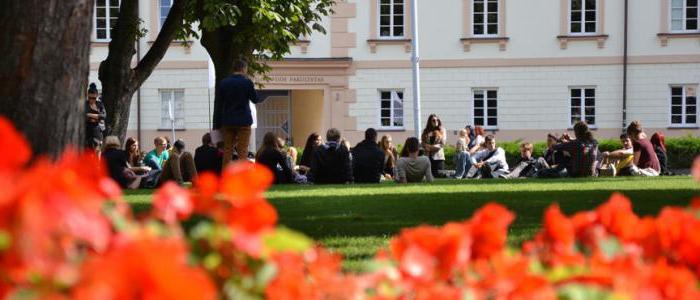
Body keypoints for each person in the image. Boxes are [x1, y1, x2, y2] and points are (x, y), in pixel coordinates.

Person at [214, 59, 263, 169]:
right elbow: (255, 99)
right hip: (243, 121)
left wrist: (218, 124)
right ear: (243, 68)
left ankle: (225, 177)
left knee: (227, 150)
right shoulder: (247, 82)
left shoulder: (224, 83)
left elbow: (219, 104)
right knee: (243, 150)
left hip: (227, 121)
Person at [85, 83, 106, 152]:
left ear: (96, 96)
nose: (91, 100)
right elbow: (83, 116)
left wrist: (89, 115)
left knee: (97, 151)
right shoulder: (85, 104)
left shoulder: (99, 104)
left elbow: (103, 116)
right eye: (90, 98)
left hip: (97, 131)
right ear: (87, 96)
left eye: (93, 98)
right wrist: (97, 116)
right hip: (87, 131)